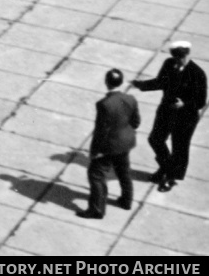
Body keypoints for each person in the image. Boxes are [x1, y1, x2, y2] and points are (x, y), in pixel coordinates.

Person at [132, 42, 207, 192]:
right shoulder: (168, 64)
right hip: (166, 111)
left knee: (179, 148)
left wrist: (184, 104)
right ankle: (166, 168)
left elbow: (201, 101)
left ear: (187, 54)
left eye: (181, 57)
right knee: (155, 139)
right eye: (176, 57)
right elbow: (161, 82)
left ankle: (171, 178)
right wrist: (141, 85)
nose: (179, 61)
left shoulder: (197, 74)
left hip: (186, 117)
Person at [79, 68, 139, 219]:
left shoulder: (103, 104)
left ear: (106, 82)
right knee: (123, 172)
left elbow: (101, 130)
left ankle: (97, 210)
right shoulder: (131, 99)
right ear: (121, 82)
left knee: (96, 175)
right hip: (126, 142)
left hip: (109, 146)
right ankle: (127, 201)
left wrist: (95, 150)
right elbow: (136, 122)